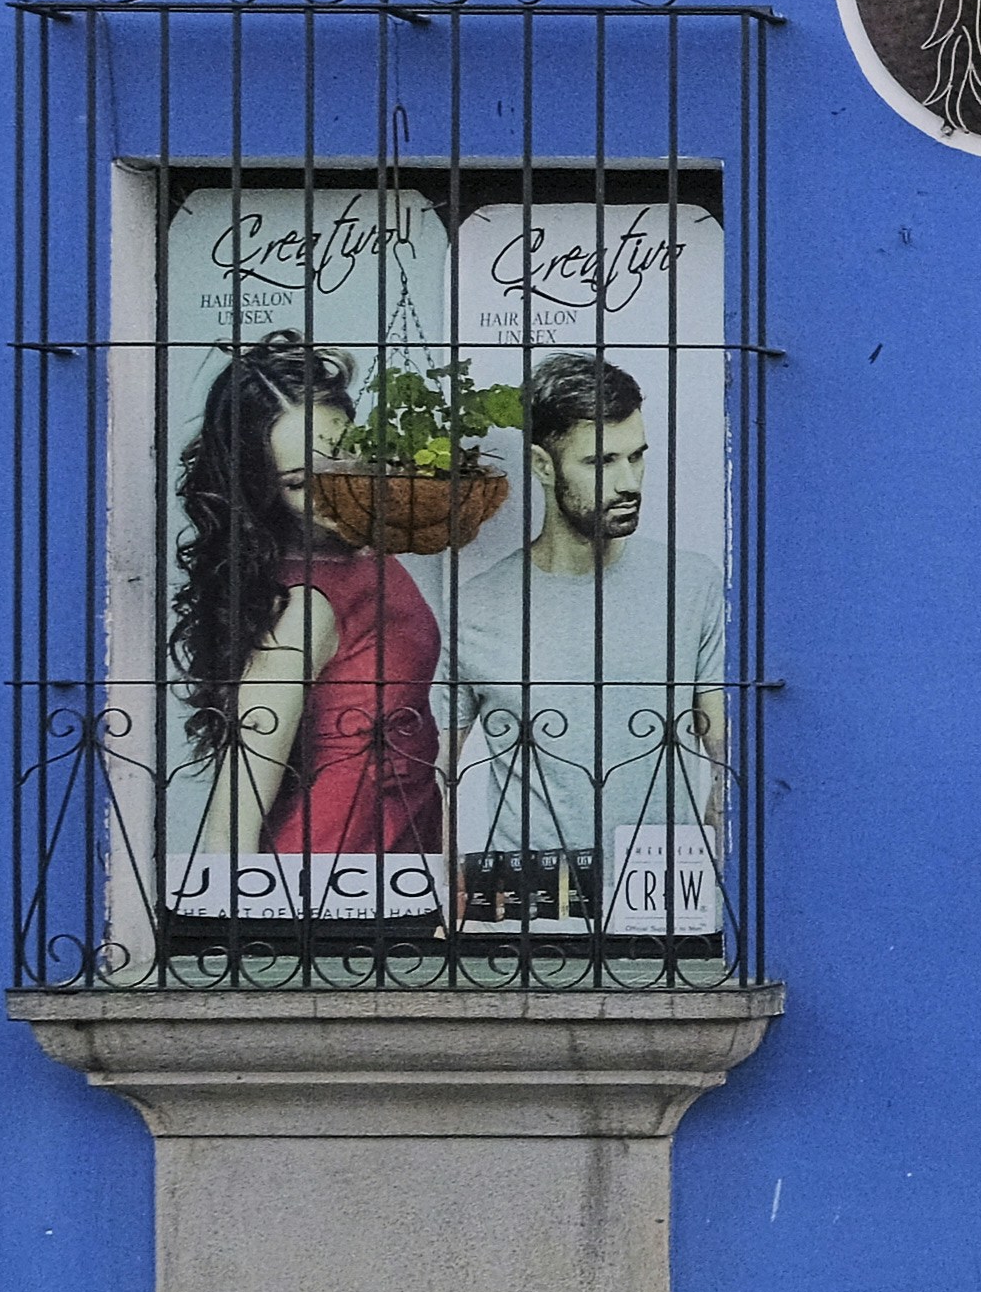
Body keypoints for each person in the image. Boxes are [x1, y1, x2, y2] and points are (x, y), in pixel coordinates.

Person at [438, 352, 727, 933]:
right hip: (528, 915)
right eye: (601, 461)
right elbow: (436, 773)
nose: (629, 483)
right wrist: (448, 896)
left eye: (637, 457)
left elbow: (726, 754)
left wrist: (715, 876)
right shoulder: (479, 608)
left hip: (662, 911)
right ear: (542, 466)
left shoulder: (691, 586)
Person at [171, 333, 447, 889]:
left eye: (340, 461)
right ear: (259, 492)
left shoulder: (364, 553)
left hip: (399, 869)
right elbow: (231, 824)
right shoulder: (303, 608)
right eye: (298, 482)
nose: (331, 494)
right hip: (326, 884)